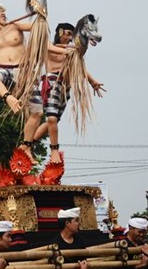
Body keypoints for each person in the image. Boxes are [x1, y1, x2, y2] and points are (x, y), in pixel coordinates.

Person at [26, 22, 104, 163]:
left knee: (53, 120)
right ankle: (54, 149)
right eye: (67, 34)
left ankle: (27, 145)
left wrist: (92, 82)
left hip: (65, 87)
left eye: (71, 35)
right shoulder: (49, 46)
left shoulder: (71, 50)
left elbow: (79, 67)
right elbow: (51, 49)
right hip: (52, 82)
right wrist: (69, 50)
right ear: (60, 32)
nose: (69, 38)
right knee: (51, 118)